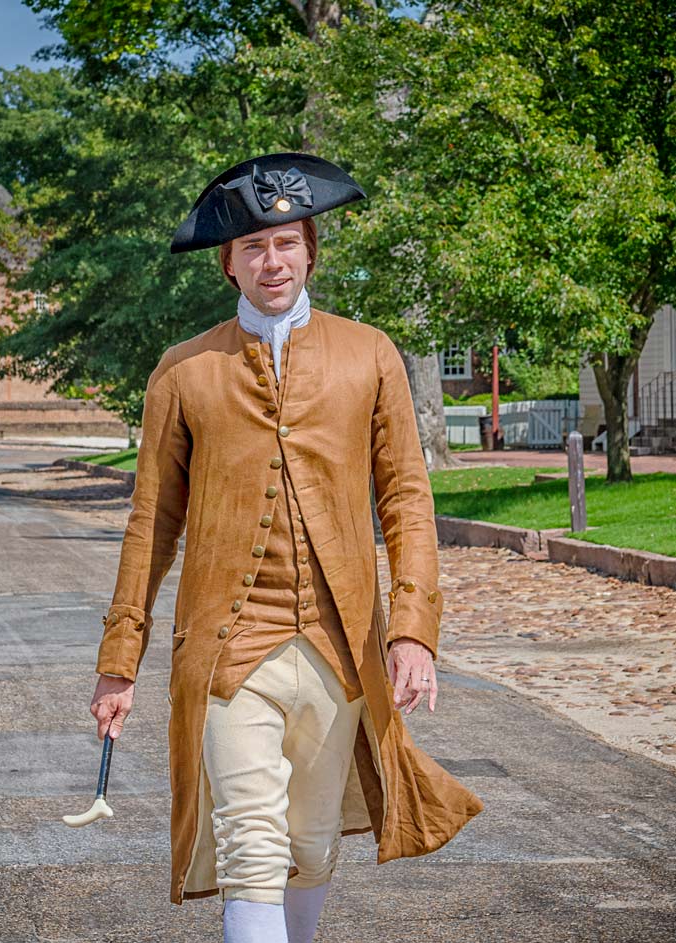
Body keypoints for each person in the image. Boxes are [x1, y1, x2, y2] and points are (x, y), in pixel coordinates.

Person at [89, 152, 484, 943]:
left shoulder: (371, 355)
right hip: (230, 650)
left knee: (308, 843)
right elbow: (150, 524)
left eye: (287, 243)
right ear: (228, 265)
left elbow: (407, 497)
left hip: (342, 650)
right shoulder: (182, 373)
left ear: (310, 251)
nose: (273, 261)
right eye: (254, 248)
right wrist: (118, 658)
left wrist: (413, 631)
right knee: (252, 846)